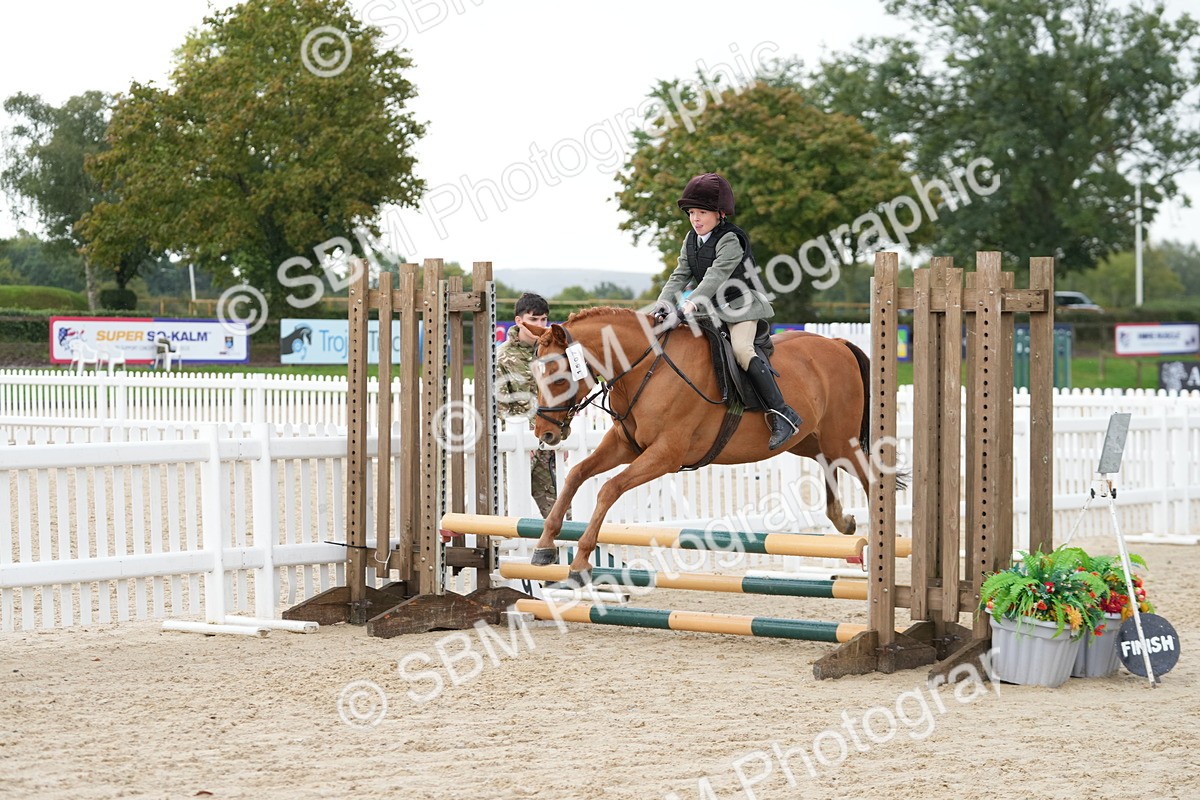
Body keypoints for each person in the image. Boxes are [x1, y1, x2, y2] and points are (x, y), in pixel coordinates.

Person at [650, 172, 803, 451]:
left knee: (743, 350)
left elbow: (715, 277)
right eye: (692, 213)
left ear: (720, 213)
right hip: (711, 308)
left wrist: (688, 304)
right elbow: (680, 274)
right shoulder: (690, 240)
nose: (696, 219)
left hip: (740, 305)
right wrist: (661, 304)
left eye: (702, 213)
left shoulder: (730, 239)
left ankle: (783, 414)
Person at [496, 292, 563, 518]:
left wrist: (561, 438)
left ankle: (559, 553)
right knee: (508, 508)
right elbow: (501, 408)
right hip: (518, 444)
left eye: (544, 320)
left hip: (548, 443)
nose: (540, 325)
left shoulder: (550, 354)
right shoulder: (502, 357)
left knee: (559, 510)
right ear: (519, 321)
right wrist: (521, 438)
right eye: (534, 320)